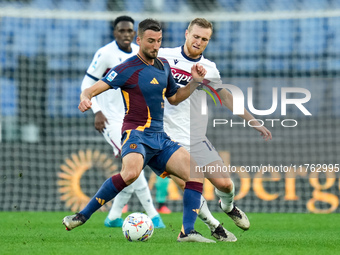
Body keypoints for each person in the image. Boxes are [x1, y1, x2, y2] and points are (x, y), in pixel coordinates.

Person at [63, 18, 215, 243]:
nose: (155, 46)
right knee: (131, 173)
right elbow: (91, 89)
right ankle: (81, 216)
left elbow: (173, 98)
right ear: (139, 40)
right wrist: (86, 99)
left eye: (159, 41)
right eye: (151, 41)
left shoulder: (163, 66)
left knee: (195, 175)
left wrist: (194, 83)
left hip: (160, 138)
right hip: (135, 134)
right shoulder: (126, 68)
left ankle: (187, 232)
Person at [158, 18, 272, 238]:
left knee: (226, 184)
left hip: (196, 138)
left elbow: (226, 97)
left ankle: (228, 207)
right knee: (191, 186)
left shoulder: (209, 69)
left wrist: (254, 121)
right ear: (186, 34)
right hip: (167, 140)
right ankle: (214, 227)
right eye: (196, 36)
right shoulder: (163, 56)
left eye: (204, 39)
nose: (199, 42)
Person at [81, 16, 165, 229]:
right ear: (115, 32)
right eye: (122, 31)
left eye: (129, 31)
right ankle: (154, 215)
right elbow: (87, 83)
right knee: (133, 168)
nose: (126, 34)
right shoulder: (105, 53)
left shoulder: (140, 54)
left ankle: (113, 217)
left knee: (130, 170)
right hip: (110, 121)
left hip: (134, 120)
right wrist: (96, 111)